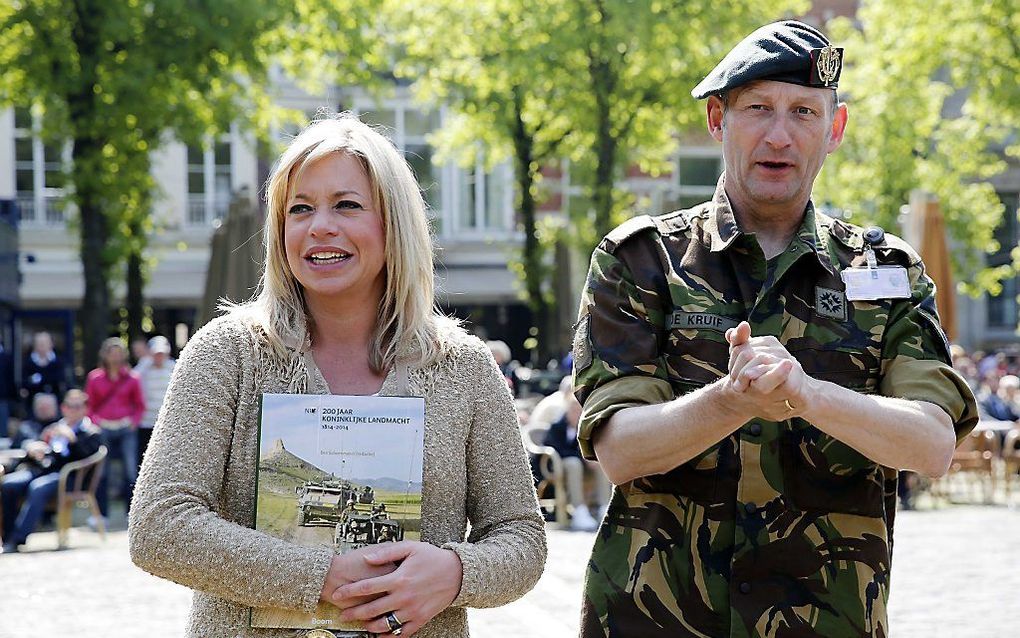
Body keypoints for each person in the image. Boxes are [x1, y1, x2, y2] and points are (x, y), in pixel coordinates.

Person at [572, 21, 978, 637]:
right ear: (717, 120)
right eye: (758, 108)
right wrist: (731, 400)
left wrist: (808, 395)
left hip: (826, 620)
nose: (780, 135)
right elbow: (621, 450)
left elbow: (930, 444)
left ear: (834, 130)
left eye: (804, 112)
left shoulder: (888, 272)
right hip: (655, 620)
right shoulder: (641, 260)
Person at [129, 113, 546, 638]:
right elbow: (159, 527)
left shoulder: (463, 367)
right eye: (299, 209)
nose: (319, 226)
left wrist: (454, 573)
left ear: (393, 222)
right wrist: (323, 576)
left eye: (346, 205)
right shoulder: (226, 354)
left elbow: (520, 538)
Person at [1, 390, 102, 553]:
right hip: (43, 470)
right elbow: (43, 451)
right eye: (69, 406)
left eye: (77, 406)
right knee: (9, 484)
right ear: (63, 408)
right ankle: (7, 537)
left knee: (38, 488)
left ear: (85, 409)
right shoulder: (55, 427)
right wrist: (34, 451)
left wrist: (73, 440)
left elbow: (87, 458)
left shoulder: (91, 431)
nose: (73, 410)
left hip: (68, 477)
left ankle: (18, 538)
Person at [85, 337, 145, 520]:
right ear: (105, 355)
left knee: (130, 470)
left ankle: (131, 513)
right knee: (102, 471)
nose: (116, 357)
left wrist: (133, 422)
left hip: (125, 427)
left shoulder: (133, 378)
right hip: (104, 427)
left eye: (119, 353)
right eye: (112, 353)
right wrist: (96, 422)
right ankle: (101, 514)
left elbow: (140, 405)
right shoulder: (95, 378)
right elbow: (89, 405)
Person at [541, 391, 611, 532]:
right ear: (567, 410)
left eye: (579, 411)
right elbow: (557, 449)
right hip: (559, 465)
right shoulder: (557, 426)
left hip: (580, 465)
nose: (576, 414)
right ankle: (579, 510)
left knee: (598, 464)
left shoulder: (585, 428)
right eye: (573, 410)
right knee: (574, 463)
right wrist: (582, 458)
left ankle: (605, 508)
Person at [136, 335, 176, 466]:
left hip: (167, 422)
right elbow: (134, 379)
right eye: (156, 353)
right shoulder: (143, 368)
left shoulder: (174, 367)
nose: (159, 357)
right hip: (146, 422)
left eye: (162, 353)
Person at [20, 331, 68, 420]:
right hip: (33, 406)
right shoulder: (28, 363)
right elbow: (24, 384)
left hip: (55, 405)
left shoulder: (59, 362)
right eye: (39, 343)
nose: (42, 346)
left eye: (44, 343)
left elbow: (61, 381)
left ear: (51, 344)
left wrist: (40, 379)